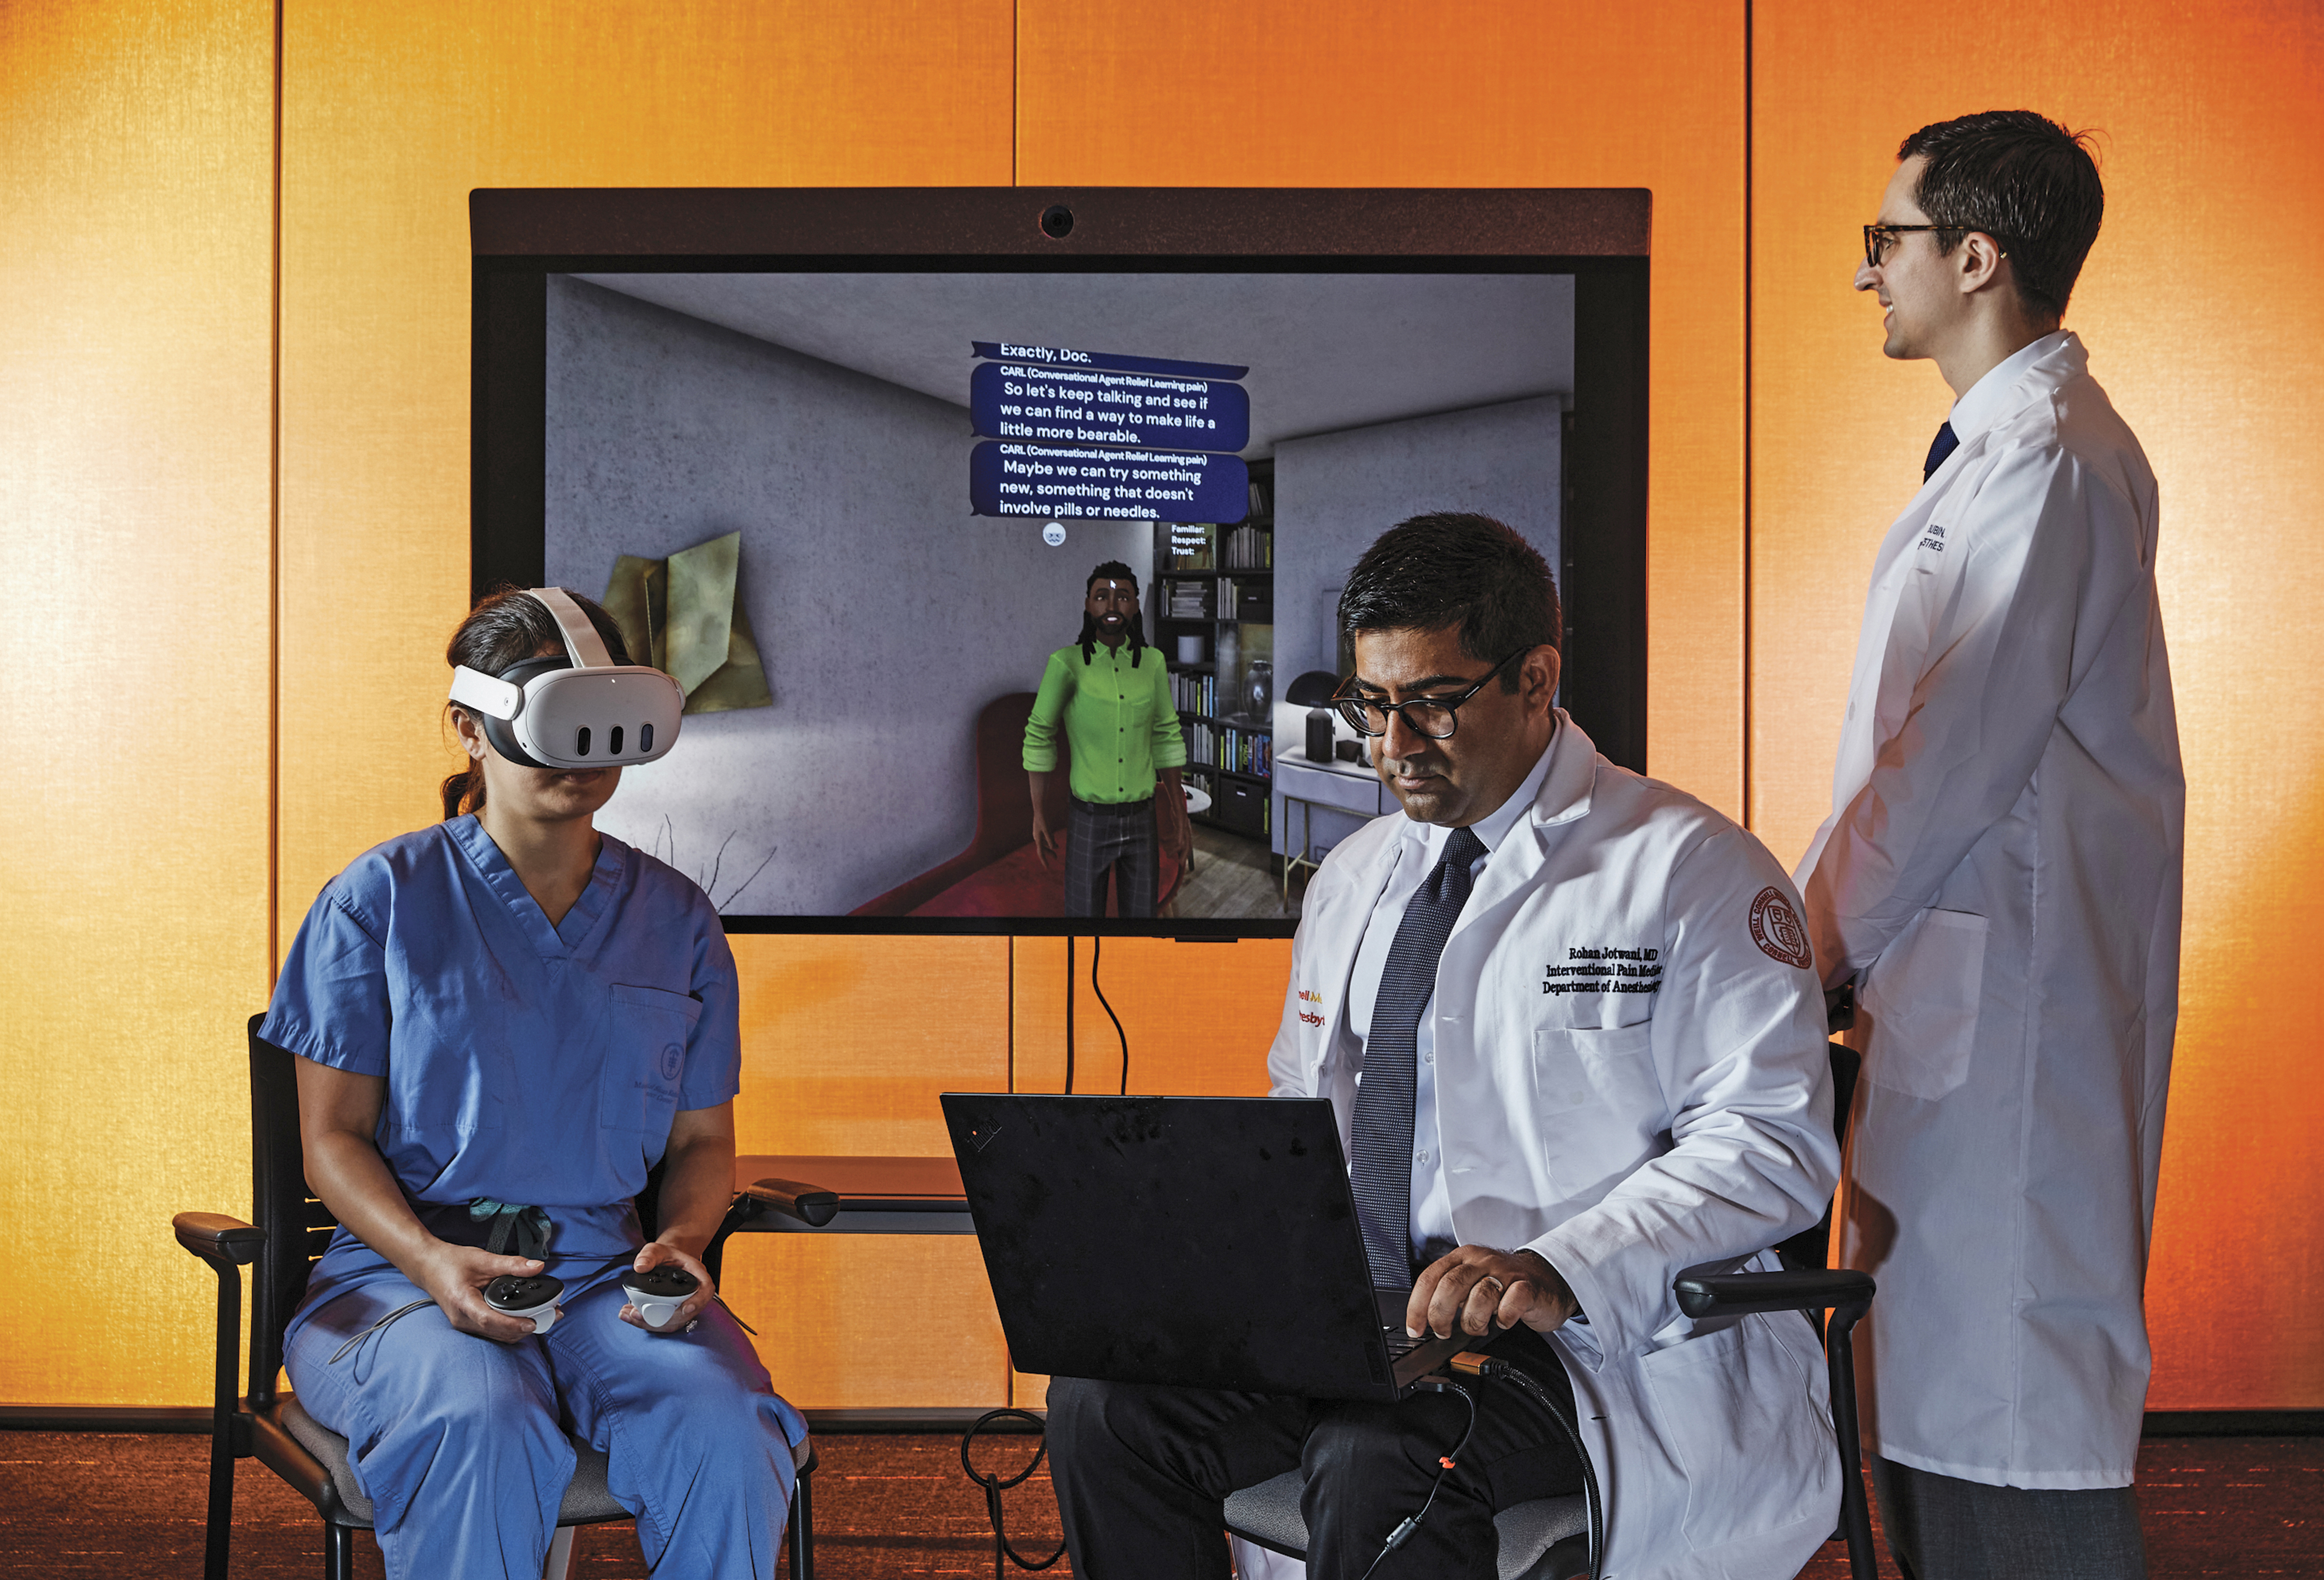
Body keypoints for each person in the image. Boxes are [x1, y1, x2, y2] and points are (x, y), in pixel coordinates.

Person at [1045, 514, 1842, 1580]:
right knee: (1106, 1406)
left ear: (1536, 676)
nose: (1391, 745)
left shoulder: (1690, 869)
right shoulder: (1357, 876)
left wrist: (1560, 1262)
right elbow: (1300, 1108)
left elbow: (1769, 1143)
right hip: (1361, 1322)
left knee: (1380, 1455)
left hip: (1584, 1345)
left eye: (1430, 703)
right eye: (1370, 705)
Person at [1796, 111, 2183, 1580]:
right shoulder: (1997, 459)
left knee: (2012, 1458)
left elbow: (1944, 768)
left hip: (2012, 1043)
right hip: (1951, 1022)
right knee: (1945, 1442)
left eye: (1881, 243)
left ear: (1975, 256)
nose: (1864, 276)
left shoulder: (2047, 465)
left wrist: (1795, 954)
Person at [264, 587, 808, 1580]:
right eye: (553, 724)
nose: (580, 757)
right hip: (403, 1280)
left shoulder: (677, 918)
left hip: (608, 1277)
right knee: (480, 1419)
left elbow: (699, 1142)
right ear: (470, 725)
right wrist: (431, 1260)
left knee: (726, 1426)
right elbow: (331, 1137)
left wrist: (681, 1240)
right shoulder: (377, 902)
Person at [1023, 560, 1193, 918]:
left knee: (1140, 930)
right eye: (1102, 596)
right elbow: (1039, 735)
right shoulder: (1067, 663)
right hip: (1089, 819)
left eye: (1123, 597)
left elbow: (1166, 735)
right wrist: (1038, 813)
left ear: (1135, 605)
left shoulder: (1153, 663)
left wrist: (1180, 813)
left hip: (1142, 818)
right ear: (1088, 604)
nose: (1112, 606)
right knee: (1083, 931)